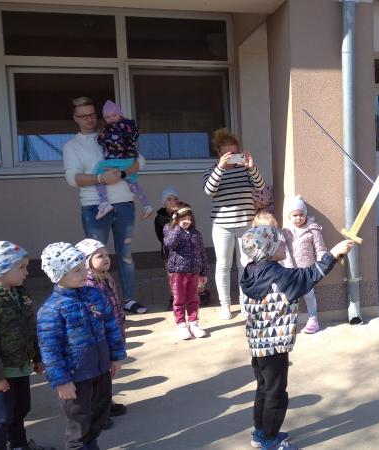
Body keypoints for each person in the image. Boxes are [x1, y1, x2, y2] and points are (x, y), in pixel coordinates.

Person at [239, 225, 354, 450]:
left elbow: (304, 276)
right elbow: (309, 276)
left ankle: (260, 433)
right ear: (268, 249)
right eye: (280, 242)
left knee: (263, 387)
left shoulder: (250, 271)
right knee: (276, 392)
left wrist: (334, 255)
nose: (285, 244)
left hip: (257, 342)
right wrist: (333, 253)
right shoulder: (279, 275)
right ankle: (271, 441)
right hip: (275, 344)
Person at [62, 96, 147, 315]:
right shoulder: (72, 146)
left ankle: (128, 299)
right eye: (83, 116)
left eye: (92, 114)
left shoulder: (113, 132)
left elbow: (141, 161)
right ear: (75, 118)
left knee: (125, 255)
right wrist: (100, 180)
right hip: (93, 207)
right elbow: (72, 179)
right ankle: (100, 301)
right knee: (95, 258)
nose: (89, 119)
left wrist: (122, 173)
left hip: (124, 203)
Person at [37, 243, 126, 450]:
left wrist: (115, 356)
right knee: (79, 421)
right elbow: (50, 349)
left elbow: (111, 326)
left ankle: (91, 444)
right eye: (77, 270)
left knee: (100, 414)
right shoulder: (52, 309)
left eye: (83, 267)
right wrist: (61, 381)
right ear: (59, 274)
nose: (84, 272)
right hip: (75, 378)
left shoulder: (95, 295)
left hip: (101, 369)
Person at [0, 242, 53, 450]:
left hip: (20, 366)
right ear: (2, 270)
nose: (27, 271)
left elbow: (30, 327)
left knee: (20, 409)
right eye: (21, 267)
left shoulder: (20, 294)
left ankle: (19, 445)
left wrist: (38, 357)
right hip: (0, 372)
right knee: (3, 416)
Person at [203, 128, 266, 320]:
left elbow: (261, 186)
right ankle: (225, 305)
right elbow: (209, 190)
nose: (232, 158)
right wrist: (220, 168)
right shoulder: (211, 171)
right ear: (220, 153)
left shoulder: (245, 170)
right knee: (223, 265)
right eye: (227, 154)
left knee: (245, 264)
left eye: (235, 153)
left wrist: (251, 167)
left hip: (246, 224)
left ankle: (245, 302)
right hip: (222, 226)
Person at [75, 238, 128, 421]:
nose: (106, 258)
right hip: (100, 336)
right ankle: (96, 413)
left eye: (107, 255)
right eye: (100, 256)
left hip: (113, 330)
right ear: (86, 260)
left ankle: (106, 403)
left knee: (107, 373)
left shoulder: (106, 277)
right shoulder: (88, 283)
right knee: (98, 375)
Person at [94, 100, 152, 221]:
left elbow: (103, 141)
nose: (111, 119)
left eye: (113, 115)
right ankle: (146, 205)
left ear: (119, 114)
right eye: (108, 117)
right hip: (130, 160)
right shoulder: (130, 126)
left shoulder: (113, 128)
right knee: (133, 183)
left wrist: (100, 135)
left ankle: (104, 203)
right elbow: (135, 137)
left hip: (118, 160)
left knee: (98, 172)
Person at [163, 202, 210, 340]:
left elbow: (202, 253)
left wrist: (204, 271)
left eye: (189, 217)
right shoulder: (170, 230)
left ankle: (194, 323)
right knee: (179, 300)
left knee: (193, 299)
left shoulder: (196, 234)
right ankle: (182, 325)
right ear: (175, 218)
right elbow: (169, 243)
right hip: (177, 272)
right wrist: (179, 229)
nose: (187, 220)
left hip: (194, 272)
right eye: (183, 217)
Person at [281, 196, 328, 334]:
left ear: (305, 214)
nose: (298, 218)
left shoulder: (313, 229)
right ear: (290, 216)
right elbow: (282, 250)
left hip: (308, 270)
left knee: (309, 295)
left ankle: (313, 319)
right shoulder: (285, 231)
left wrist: (322, 266)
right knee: (290, 296)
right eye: (295, 215)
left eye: (301, 214)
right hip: (291, 271)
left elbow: (320, 249)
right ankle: (289, 321)